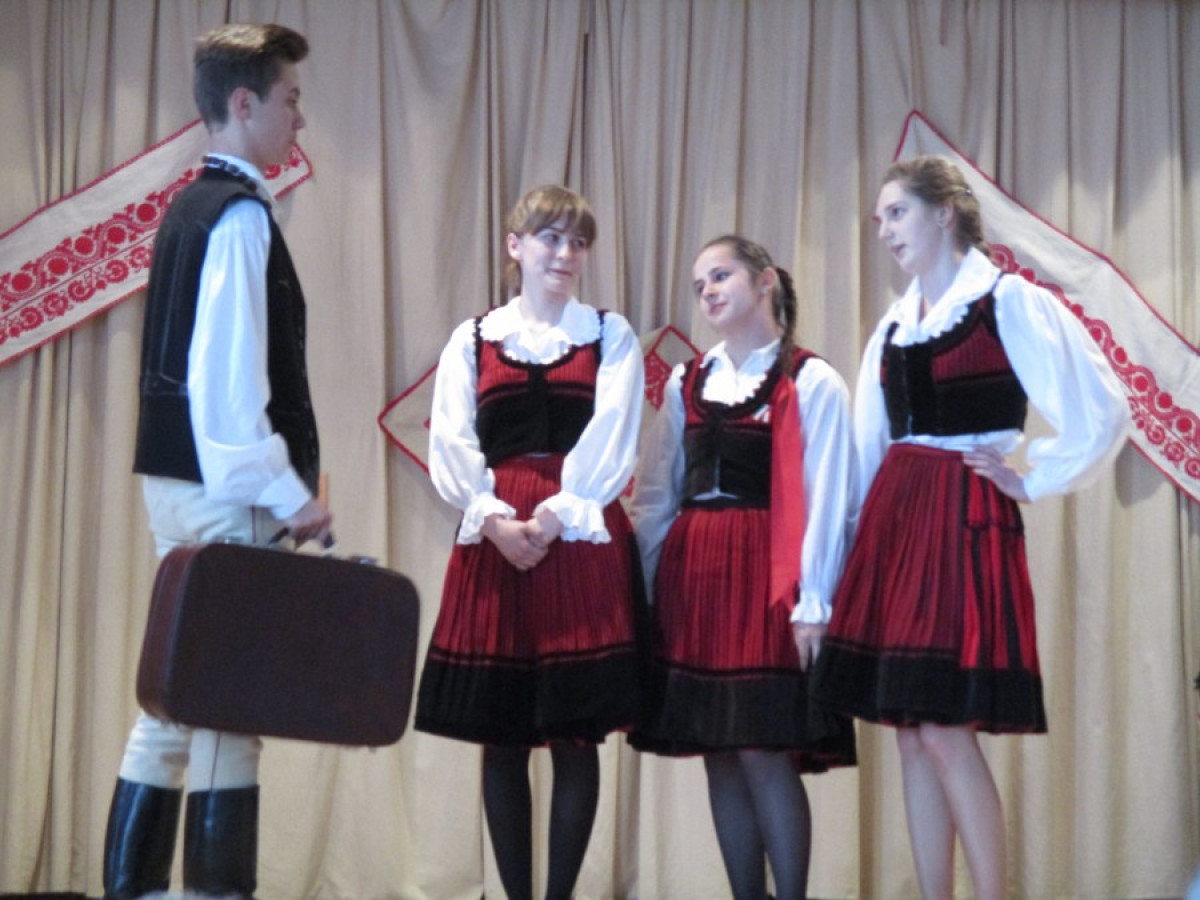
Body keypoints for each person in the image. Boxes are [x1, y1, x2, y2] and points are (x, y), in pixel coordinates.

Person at [810, 155, 1130, 900]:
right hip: (897, 520)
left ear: (944, 213)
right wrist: (843, 559)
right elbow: (867, 446)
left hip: (960, 516)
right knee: (911, 734)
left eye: (897, 213)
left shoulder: (1005, 301)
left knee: (945, 727)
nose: (884, 229)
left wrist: (1033, 476)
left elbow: (1102, 407)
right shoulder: (896, 324)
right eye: (880, 217)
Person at [102, 23, 331, 899]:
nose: (299, 119)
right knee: (228, 713)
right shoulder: (235, 217)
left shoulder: (189, 209)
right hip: (222, 492)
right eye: (290, 99)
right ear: (244, 102)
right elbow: (228, 391)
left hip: (177, 485)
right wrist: (288, 493)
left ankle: (134, 892)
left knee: (175, 706)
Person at [414, 184, 644, 900]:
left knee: (576, 736)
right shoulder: (474, 338)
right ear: (516, 246)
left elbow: (613, 433)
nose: (565, 253)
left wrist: (552, 518)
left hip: (576, 534)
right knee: (503, 733)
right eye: (551, 237)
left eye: (577, 241)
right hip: (496, 535)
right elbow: (450, 437)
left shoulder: (608, 334)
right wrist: (492, 520)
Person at [630, 235, 858, 900]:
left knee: (763, 748)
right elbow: (657, 492)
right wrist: (646, 590)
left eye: (720, 276)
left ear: (764, 283)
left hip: (768, 578)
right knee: (721, 754)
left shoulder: (810, 380)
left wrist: (815, 602)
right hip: (695, 577)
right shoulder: (687, 382)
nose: (707, 292)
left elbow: (831, 500)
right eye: (699, 284)